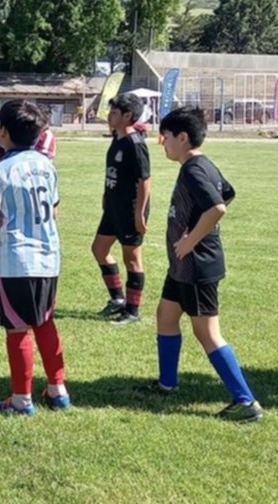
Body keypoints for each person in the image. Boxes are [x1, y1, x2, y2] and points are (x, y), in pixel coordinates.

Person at [136, 108, 263, 422]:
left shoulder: (194, 169)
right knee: (166, 316)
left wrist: (191, 239)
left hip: (196, 265)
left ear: (182, 137)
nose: (161, 143)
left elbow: (218, 207)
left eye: (164, 137)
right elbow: (228, 192)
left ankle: (246, 402)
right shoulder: (199, 164)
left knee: (207, 333)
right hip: (182, 266)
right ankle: (167, 383)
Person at [0, 100, 69, 415]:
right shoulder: (47, 165)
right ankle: (58, 389)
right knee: (45, 322)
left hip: (15, 259)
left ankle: (21, 400)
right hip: (49, 256)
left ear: (2, 132)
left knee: (17, 328)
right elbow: (54, 210)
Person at [93, 93, 152, 326]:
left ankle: (132, 310)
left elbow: (144, 181)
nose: (110, 115)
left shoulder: (135, 144)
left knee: (132, 259)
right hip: (113, 208)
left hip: (130, 210)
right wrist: (105, 197)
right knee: (99, 249)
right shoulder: (117, 138)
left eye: (115, 112)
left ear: (128, 116)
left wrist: (139, 214)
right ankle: (117, 299)